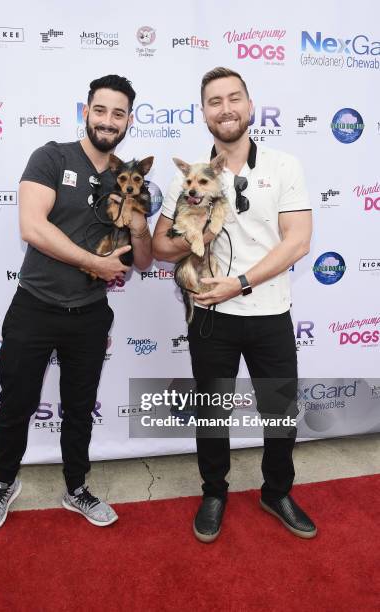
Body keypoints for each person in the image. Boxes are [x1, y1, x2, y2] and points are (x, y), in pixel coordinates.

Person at [0, 74, 152, 532]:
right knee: (15, 403)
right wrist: (93, 265)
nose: (108, 121)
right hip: (34, 306)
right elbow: (32, 228)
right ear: (86, 112)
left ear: (129, 121)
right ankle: (5, 482)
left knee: (79, 407)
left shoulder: (127, 176)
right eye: (100, 110)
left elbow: (145, 260)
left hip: (90, 316)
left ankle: (76, 488)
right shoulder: (52, 157)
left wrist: (136, 226)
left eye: (118, 114)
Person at [152, 67, 316, 542]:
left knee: (280, 412)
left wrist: (239, 283)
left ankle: (276, 491)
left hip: (269, 312)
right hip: (210, 316)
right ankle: (214, 493)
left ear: (249, 105)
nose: (225, 108)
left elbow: (298, 241)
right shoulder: (190, 177)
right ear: (203, 113)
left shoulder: (284, 165)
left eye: (233, 98)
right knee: (212, 412)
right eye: (214, 101)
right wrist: (197, 232)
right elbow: (162, 247)